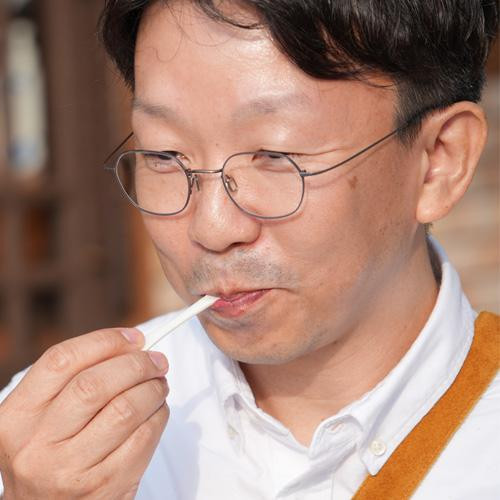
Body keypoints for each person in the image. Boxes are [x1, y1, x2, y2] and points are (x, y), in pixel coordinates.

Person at [0, 0, 498, 498]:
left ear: (439, 161)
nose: (213, 228)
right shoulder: (44, 451)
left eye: (276, 155)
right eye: (165, 155)